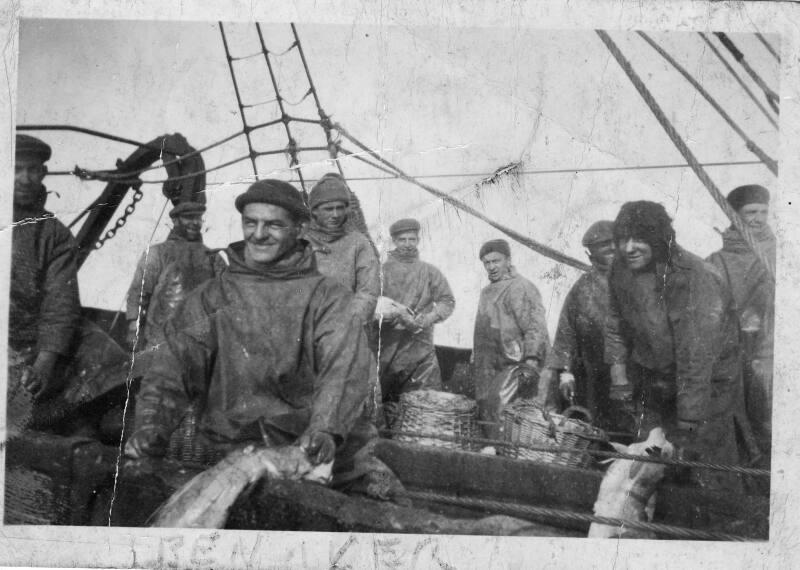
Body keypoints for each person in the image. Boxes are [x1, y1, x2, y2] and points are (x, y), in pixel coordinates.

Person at [124, 179, 372, 471]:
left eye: (274, 225)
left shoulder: (327, 298)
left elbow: (342, 368)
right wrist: (151, 426)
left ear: (299, 229)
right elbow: (172, 366)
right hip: (226, 450)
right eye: (250, 223)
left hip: (301, 450)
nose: (259, 234)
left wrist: (325, 429)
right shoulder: (212, 295)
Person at [605, 201, 742, 491]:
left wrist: (690, 423)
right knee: (651, 457)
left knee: (702, 458)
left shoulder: (695, 276)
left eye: (639, 239)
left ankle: (721, 520)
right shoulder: (620, 268)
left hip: (708, 383)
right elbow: (615, 321)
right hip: (655, 376)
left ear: (658, 238)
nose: (628, 248)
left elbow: (696, 357)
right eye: (622, 240)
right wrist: (619, 375)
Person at [10, 134, 81, 401]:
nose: (25, 178)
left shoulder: (55, 235)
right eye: (16, 169)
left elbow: (60, 304)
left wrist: (44, 364)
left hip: (23, 346)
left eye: (32, 170)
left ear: (44, 173)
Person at [708, 185, 775, 463]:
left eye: (763, 211)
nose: (759, 218)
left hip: (772, 351)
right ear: (735, 215)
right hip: (735, 353)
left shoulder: (782, 254)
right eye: (751, 212)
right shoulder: (717, 261)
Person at [538, 221, 624, 431]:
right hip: (593, 376)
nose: (612, 248)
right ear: (591, 254)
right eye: (604, 245)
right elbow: (566, 334)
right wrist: (566, 374)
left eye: (614, 242)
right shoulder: (582, 289)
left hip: (630, 373)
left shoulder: (639, 282)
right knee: (595, 428)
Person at [473, 239, 549, 439]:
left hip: (515, 365)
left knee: (505, 414)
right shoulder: (487, 292)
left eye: (496, 261)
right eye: (487, 263)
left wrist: (531, 359)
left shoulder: (520, 287)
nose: (491, 267)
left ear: (508, 260)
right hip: (489, 366)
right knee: (486, 412)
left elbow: (535, 325)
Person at [125, 201, 225, 352]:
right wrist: (134, 325)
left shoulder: (214, 258)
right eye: (188, 218)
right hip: (160, 341)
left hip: (200, 343)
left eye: (198, 218)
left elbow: (226, 295)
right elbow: (139, 291)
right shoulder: (157, 253)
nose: (195, 223)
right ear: (175, 221)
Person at [377, 218, 455, 403]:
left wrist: (430, 317)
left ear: (418, 240)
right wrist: (393, 315)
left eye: (411, 239)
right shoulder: (381, 272)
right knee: (385, 406)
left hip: (421, 351)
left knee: (424, 406)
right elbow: (371, 303)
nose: (407, 244)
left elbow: (447, 300)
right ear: (394, 241)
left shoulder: (429, 272)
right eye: (402, 240)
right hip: (389, 350)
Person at [304, 173, 380, 324]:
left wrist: (345, 323)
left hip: (348, 329)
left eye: (340, 208)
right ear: (314, 211)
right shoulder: (300, 244)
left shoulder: (358, 243)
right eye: (328, 209)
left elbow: (368, 292)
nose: (335, 214)